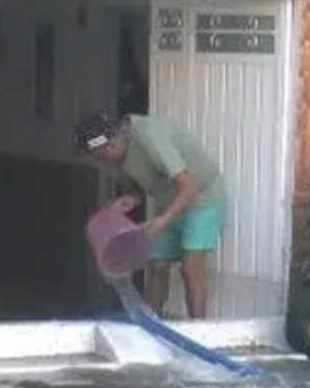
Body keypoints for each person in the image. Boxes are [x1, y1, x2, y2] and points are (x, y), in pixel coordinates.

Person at [74, 112, 227, 319]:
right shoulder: (120, 148)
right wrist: (133, 198)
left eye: (100, 157)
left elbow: (188, 184)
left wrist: (162, 221)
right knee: (157, 266)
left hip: (202, 197)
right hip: (170, 200)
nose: (102, 162)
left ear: (109, 145)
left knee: (190, 270)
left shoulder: (150, 137)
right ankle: (149, 327)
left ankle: (197, 334)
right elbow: (149, 177)